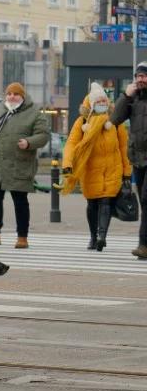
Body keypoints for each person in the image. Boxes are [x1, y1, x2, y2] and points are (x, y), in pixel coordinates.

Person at [0, 83, 49, 249]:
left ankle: (22, 237)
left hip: (19, 165)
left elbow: (44, 135)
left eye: (16, 94)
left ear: (22, 96)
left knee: (20, 201)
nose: (12, 96)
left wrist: (29, 142)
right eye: (9, 94)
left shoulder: (34, 113)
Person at [63, 84, 131, 252]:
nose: (102, 102)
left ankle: (102, 237)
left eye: (104, 100)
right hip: (90, 170)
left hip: (112, 169)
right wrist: (67, 164)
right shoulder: (82, 122)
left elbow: (124, 147)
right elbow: (71, 144)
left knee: (106, 202)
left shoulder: (115, 121)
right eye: (98, 100)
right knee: (93, 204)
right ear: (91, 104)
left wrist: (126, 172)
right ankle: (93, 236)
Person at [111, 62, 147, 259]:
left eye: (144, 76)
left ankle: (143, 244)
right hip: (138, 159)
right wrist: (126, 96)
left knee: (146, 199)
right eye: (138, 76)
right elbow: (114, 119)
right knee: (145, 202)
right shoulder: (133, 100)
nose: (141, 79)